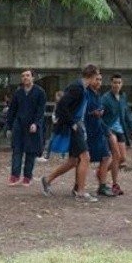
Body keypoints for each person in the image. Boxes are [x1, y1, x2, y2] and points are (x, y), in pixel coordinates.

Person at [40, 64, 100, 203]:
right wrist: (72, 124)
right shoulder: (77, 88)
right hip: (75, 127)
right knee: (85, 157)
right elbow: (61, 105)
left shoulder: (82, 88)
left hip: (77, 126)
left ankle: (47, 179)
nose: (98, 78)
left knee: (73, 161)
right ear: (92, 75)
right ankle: (81, 192)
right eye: (97, 76)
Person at [5, 68, 47, 186]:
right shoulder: (18, 93)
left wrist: (36, 123)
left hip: (32, 126)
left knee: (30, 152)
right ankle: (14, 176)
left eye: (27, 75)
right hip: (19, 125)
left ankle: (27, 177)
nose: (25, 78)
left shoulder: (40, 92)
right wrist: (9, 126)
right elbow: (12, 110)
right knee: (17, 150)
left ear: (33, 77)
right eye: (23, 76)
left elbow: (40, 110)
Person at [101, 73, 132, 195]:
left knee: (122, 158)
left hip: (121, 130)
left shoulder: (123, 97)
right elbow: (100, 116)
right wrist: (106, 129)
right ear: (111, 83)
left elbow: (127, 114)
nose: (117, 85)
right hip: (110, 131)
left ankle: (102, 171)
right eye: (115, 82)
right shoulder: (105, 98)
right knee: (116, 156)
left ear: (122, 84)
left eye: (119, 82)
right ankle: (114, 184)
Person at [84, 72, 116, 197]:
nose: (99, 82)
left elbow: (99, 109)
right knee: (80, 160)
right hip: (88, 130)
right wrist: (93, 113)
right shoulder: (85, 94)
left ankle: (102, 185)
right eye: (96, 79)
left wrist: (100, 112)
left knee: (106, 156)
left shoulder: (97, 94)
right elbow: (82, 111)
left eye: (100, 80)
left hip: (98, 130)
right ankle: (77, 185)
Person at [37, 90, 64, 163]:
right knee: (52, 140)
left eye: (57, 96)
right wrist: (54, 118)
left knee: (62, 140)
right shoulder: (56, 105)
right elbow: (54, 113)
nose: (56, 98)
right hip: (56, 125)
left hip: (62, 125)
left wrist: (59, 119)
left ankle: (62, 155)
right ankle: (48, 155)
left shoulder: (64, 105)